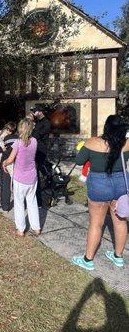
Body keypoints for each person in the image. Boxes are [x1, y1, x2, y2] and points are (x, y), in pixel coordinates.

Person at [72, 115, 129, 271]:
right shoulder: (126, 144)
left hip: (99, 184)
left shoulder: (92, 142)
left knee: (96, 223)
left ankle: (88, 260)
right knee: (120, 220)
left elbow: (79, 161)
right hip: (121, 184)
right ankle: (118, 257)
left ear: (107, 127)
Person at [3, 118, 40, 237]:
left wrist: (4, 163)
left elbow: (10, 159)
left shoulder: (18, 143)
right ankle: (36, 227)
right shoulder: (34, 141)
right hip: (32, 177)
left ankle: (21, 229)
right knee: (32, 201)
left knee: (19, 204)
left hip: (20, 178)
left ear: (20, 129)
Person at [31, 104, 51, 207]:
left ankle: (38, 200)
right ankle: (34, 196)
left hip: (40, 151)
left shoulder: (46, 123)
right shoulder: (37, 122)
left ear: (40, 112)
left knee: (36, 174)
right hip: (34, 149)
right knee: (34, 174)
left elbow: (35, 135)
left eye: (35, 111)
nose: (33, 113)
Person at [0, 122, 17, 211]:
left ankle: (5, 205)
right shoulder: (19, 139)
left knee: (5, 184)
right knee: (16, 185)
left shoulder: (4, 138)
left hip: (6, 162)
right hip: (17, 163)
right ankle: (20, 203)